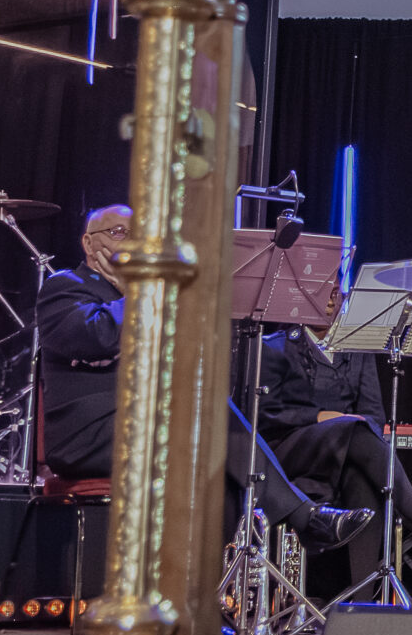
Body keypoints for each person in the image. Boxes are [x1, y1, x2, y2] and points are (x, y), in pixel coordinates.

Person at [36, 205, 364, 545]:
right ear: (89, 244)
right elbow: (97, 338)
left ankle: (211, 582)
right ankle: (305, 520)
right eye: (120, 233)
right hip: (89, 435)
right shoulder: (65, 287)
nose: (132, 243)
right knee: (207, 416)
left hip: (146, 423)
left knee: (218, 462)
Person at [251, 327, 412, 589]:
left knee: (363, 477)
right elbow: (267, 413)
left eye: (335, 290)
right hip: (292, 451)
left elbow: (373, 415)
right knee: (354, 428)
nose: (330, 299)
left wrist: (349, 429)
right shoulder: (274, 345)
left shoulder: (357, 349)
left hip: (345, 450)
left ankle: (359, 606)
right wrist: (320, 418)